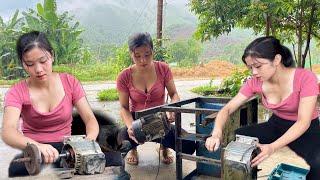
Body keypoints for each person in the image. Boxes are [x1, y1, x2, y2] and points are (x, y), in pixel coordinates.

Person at [205, 36, 320, 180]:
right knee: (238, 139)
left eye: (258, 66)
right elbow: (227, 109)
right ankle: (248, 174)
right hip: (277, 123)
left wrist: (272, 147)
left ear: (277, 60)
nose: (253, 72)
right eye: (250, 67)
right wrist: (216, 133)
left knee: (318, 164)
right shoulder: (255, 82)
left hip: (308, 129)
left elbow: (303, 121)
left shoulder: (305, 78)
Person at [1, 31, 99, 177]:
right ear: (23, 64)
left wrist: (86, 145)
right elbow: (8, 131)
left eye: (43, 61)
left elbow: (90, 120)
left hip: (68, 148)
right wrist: (37, 146)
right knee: (16, 170)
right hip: (37, 152)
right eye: (30, 64)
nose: (38, 69)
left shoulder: (70, 82)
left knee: (114, 160)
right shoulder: (17, 91)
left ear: (51, 55)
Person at [116, 32, 195, 165]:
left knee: (189, 145)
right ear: (131, 54)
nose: (143, 60)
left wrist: (172, 110)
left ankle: (164, 148)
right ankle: (133, 150)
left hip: (160, 122)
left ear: (153, 51)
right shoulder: (124, 76)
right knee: (117, 142)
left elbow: (174, 94)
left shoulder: (163, 68)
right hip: (137, 124)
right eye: (137, 56)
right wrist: (130, 127)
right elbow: (124, 107)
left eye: (147, 55)